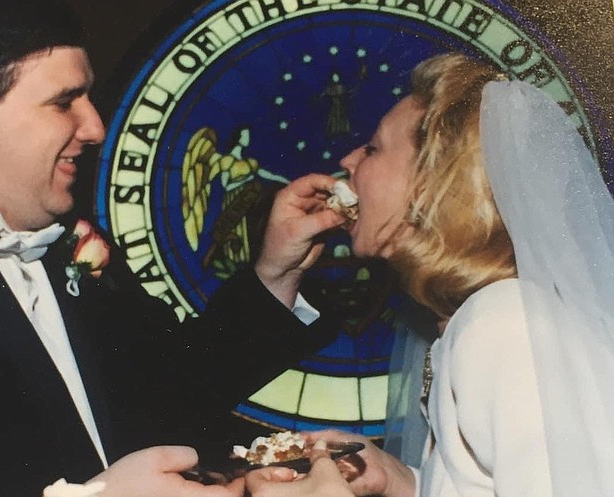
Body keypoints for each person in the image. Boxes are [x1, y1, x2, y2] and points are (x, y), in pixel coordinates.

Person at [0, 1, 346, 496]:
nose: (95, 128)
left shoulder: (66, 242)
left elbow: (172, 393)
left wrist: (276, 269)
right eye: (64, 102)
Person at [244, 52, 614, 497]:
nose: (348, 159)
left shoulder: (501, 323)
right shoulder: (466, 325)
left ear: (432, 186)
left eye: (375, 148)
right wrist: (403, 482)